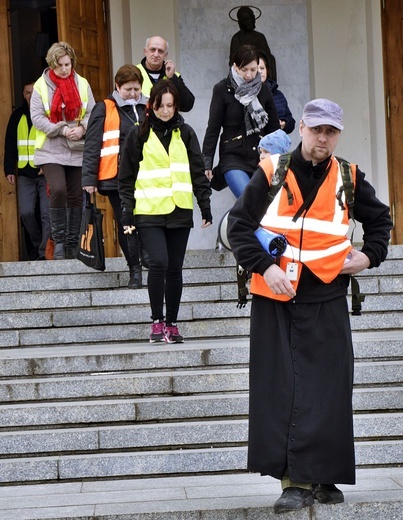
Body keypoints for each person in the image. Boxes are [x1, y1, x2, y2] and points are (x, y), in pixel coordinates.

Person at [227, 98, 393, 514]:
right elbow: (239, 227)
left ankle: (323, 476)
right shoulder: (272, 170)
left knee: (329, 388)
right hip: (277, 295)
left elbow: (381, 222)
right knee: (282, 388)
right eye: (316, 129)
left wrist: (369, 255)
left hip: (327, 293)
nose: (323, 138)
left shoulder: (350, 176)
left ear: (337, 134)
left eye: (330, 132)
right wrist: (265, 268)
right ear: (302, 127)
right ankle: (294, 481)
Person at [118, 79, 212, 343]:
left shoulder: (187, 133)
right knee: (159, 261)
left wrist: (205, 205)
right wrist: (127, 210)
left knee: (175, 268)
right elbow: (125, 177)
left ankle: (172, 323)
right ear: (152, 105)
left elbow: (197, 172)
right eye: (161, 106)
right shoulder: (139, 133)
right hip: (148, 210)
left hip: (179, 209)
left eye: (171, 106)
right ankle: (156, 321)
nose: (167, 111)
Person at [82, 64, 148, 288]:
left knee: (145, 220)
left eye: (136, 89)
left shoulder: (148, 106)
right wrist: (88, 180)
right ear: (117, 87)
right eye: (128, 89)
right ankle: (135, 271)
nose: (133, 94)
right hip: (115, 178)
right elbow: (92, 145)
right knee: (126, 222)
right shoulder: (104, 108)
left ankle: (146, 256)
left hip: (147, 178)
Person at [30, 41, 95, 260]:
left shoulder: (82, 83)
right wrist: (63, 129)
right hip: (50, 147)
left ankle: (71, 244)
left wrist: (82, 128)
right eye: (60, 65)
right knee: (58, 189)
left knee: (77, 195)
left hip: (76, 147)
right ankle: (58, 242)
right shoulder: (41, 85)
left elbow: (92, 113)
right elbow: (37, 118)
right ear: (52, 65)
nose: (65, 69)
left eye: (68, 64)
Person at [203, 44, 280, 198]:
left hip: (259, 157)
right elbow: (213, 128)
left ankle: (238, 223)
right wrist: (207, 163)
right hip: (232, 156)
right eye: (244, 70)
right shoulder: (222, 89)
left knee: (262, 207)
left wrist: (278, 160)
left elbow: (274, 128)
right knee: (249, 200)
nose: (249, 75)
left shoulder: (263, 89)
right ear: (235, 66)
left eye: (253, 69)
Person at [4, 80, 50, 260]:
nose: (31, 95)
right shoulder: (17, 116)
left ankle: (44, 253)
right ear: (23, 95)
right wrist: (9, 169)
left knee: (47, 214)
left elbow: (54, 142)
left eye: (34, 91)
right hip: (24, 174)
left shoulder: (47, 115)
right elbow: (10, 144)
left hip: (45, 172)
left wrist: (48, 164)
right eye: (27, 92)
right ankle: (38, 244)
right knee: (26, 212)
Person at [137, 36, 195, 112]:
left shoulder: (173, 76)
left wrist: (172, 78)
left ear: (165, 55)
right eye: (152, 50)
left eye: (160, 51)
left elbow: (187, 105)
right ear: (145, 51)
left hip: (167, 122)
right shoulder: (134, 73)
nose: (156, 54)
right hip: (144, 122)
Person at [229, 5, 276, 81]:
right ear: (240, 22)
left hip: (258, 67)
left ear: (252, 19)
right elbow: (232, 60)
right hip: (243, 70)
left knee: (272, 59)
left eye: (248, 18)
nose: (247, 22)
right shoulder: (236, 38)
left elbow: (267, 57)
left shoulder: (260, 37)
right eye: (243, 20)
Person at [257, 51, 295, 135]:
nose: (260, 71)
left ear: (267, 70)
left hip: (275, 143)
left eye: (262, 68)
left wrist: (284, 123)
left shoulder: (278, 94)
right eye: (256, 69)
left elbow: (291, 121)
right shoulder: (245, 95)